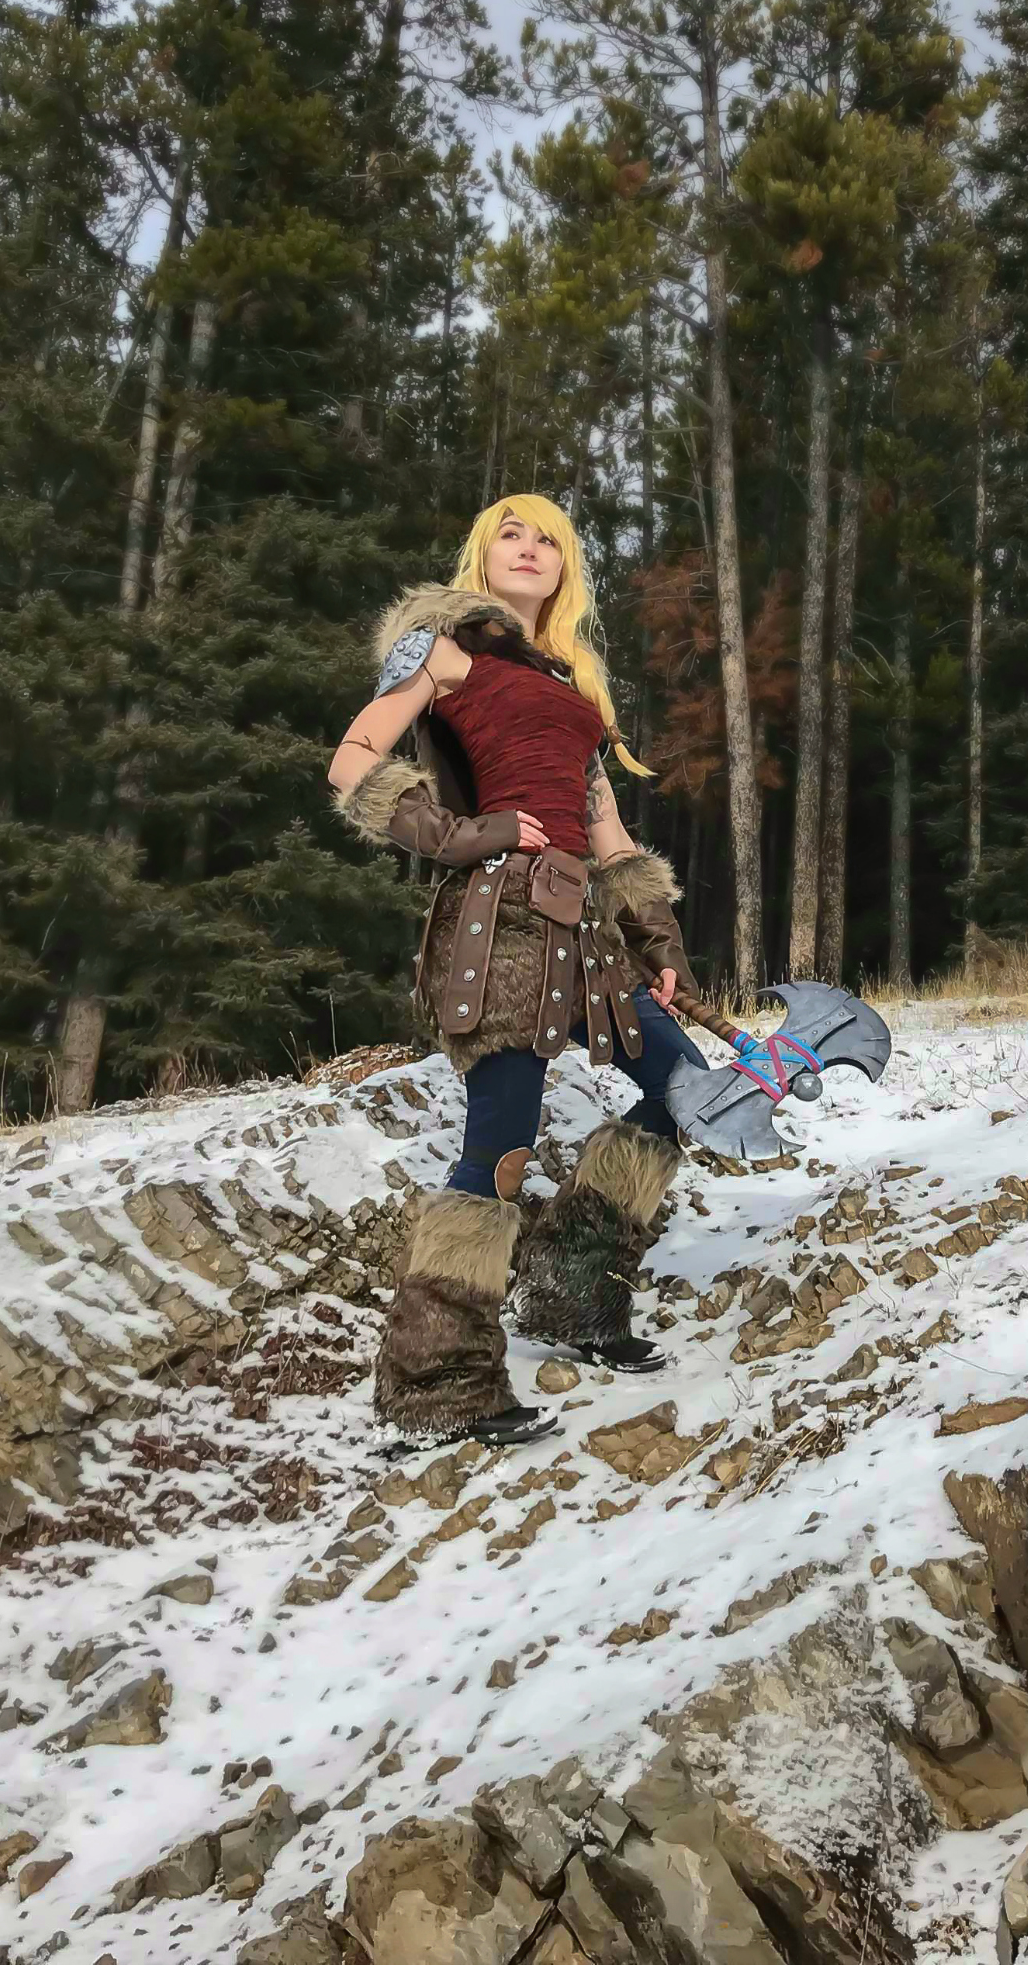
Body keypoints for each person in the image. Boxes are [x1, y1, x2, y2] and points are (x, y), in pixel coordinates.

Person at [327, 495, 705, 1445]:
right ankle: (437, 1385)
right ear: (482, 552)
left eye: (549, 540)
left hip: (585, 931)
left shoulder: (572, 687)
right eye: (512, 533)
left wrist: (659, 941)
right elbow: (352, 762)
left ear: (566, 566)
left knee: (685, 1088)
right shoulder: (443, 647)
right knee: (501, 1144)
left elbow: (608, 833)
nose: (530, 549)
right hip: (498, 924)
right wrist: (462, 833)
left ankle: (571, 1295)